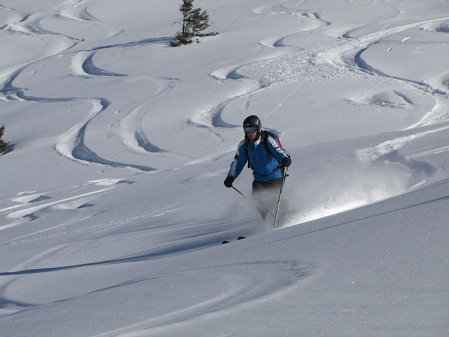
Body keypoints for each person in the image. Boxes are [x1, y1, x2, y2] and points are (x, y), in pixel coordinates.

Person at [224, 115, 291, 219]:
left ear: (258, 129)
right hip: (259, 178)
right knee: (258, 202)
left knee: (274, 199)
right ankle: (268, 223)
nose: (250, 133)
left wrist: (285, 159)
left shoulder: (267, 140)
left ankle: (283, 218)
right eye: (247, 130)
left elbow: (279, 151)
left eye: (252, 129)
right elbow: (238, 163)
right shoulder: (244, 146)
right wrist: (230, 177)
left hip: (275, 175)